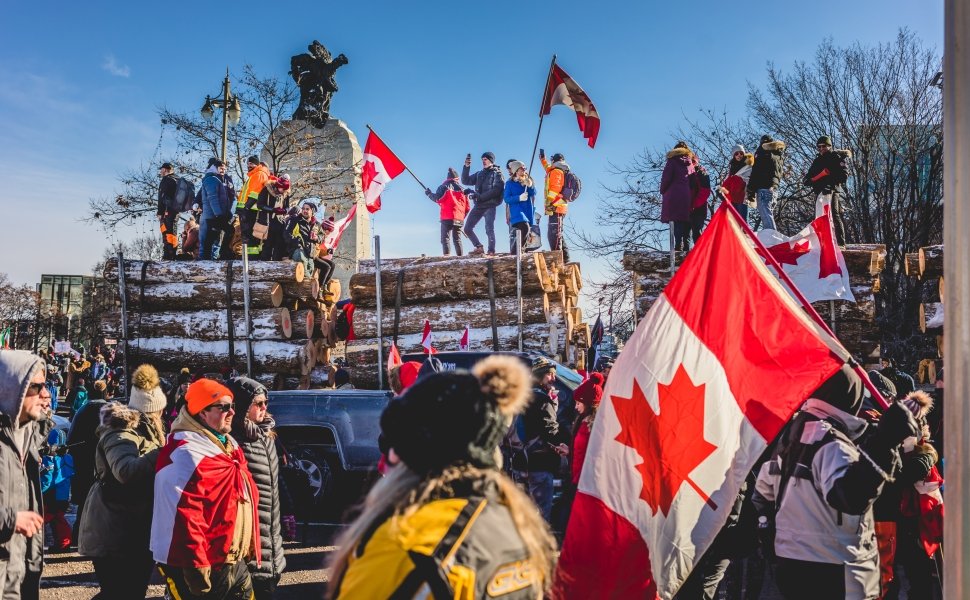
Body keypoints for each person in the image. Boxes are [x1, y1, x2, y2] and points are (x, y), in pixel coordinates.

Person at [326, 355, 557, 598]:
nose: (391, 452)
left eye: (398, 441)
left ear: (408, 452)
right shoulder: (520, 528)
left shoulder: (402, 546)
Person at [753, 365, 918, 599]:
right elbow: (851, 497)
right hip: (833, 564)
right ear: (850, 396)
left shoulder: (792, 436)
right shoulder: (831, 442)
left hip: (791, 560)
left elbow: (762, 492)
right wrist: (884, 443)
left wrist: (770, 533)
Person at [152, 378, 259, 600]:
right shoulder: (185, 454)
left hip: (233, 561)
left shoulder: (228, 446)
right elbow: (184, 518)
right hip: (203, 566)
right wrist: (196, 569)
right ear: (202, 413)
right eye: (224, 407)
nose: (231, 413)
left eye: (233, 406)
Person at [78, 363, 167, 599]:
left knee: (129, 592)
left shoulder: (146, 431)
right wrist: (164, 453)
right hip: (113, 529)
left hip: (131, 529)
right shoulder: (121, 430)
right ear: (153, 410)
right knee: (121, 593)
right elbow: (125, 471)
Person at [227, 377, 286, 600]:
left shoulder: (266, 435)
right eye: (258, 404)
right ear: (242, 406)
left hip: (272, 539)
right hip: (250, 547)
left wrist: (288, 508)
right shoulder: (234, 442)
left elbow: (276, 479)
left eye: (265, 403)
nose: (264, 408)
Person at [0, 350, 51, 598]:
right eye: (37, 387)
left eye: (47, 385)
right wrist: (10, 519)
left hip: (17, 575)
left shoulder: (28, 438)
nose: (46, 394)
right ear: (13, 388)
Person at [522, 357, 568, 523]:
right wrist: (565, 445)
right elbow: (550, 430)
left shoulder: (526, 394)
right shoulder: (541, 400)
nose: (554, 379)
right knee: (542, 514)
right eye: (550, 375)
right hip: (540, 462)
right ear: (541, 375)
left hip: (525, 460)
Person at [804, 135, 852, 246]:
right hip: (820, 193)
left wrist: (830, 183)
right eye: (819, 147)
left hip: (832, 191)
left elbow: (844, 175)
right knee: (820, 217)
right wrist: (810, 180)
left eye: (823, 146)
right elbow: (808, 178)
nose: (821, 148)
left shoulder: (836, 157)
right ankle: (822, 243)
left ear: (829, 146)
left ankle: (840, 243)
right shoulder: (817, 161)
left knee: (834, 214)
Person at [461, 151, 505, 256]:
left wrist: (479, 196)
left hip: (490, 205)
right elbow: (465, 180)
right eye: (482, 160)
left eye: (485, 159)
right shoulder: (479, 173)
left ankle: (491, 251)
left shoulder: (497, 173)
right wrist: (466, 166)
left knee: (489, 228)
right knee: (467, 228)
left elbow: (497, 190)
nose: (483, 161)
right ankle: (479, 247)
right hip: (479, 205)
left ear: (491, 160)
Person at [40, 427, 73, 554]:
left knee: (41, 520)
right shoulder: (68, 458)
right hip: (63, 497)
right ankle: (64, 544)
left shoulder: (49, 459)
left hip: (50, 496)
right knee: (59, 521)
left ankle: (34, 545)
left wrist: (39, 491)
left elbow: (46, 480)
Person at [425, 168, 470, 256]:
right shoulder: (463, 190)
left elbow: (438, 199)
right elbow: (467, 207)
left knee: (445, 238)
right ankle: (460, 258)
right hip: (459, 218)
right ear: (457, 178)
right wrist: (461, 217)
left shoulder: (443, 187)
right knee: (457, 239)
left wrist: (429, 194)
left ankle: (446, 257)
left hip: (447, 217)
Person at [660, 141, 696, 251]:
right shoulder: (690, 163)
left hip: (673, 194)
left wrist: (662, 190)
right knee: (684, 219)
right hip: (686, 194)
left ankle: (677, 244)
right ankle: (686, 245)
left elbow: (666, 178)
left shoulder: (672, 161)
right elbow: (693, 181)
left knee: (675, 219)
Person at [199, 159, 237, 261]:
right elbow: (213, 198)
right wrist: (218, 214)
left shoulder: (217, 179)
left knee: (213, 236)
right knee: (225, 231)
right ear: (214, 168)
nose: (223, 170)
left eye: (224, 169)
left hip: (218, 214)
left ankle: (209, 257)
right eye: (221, 168)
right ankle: (218, 254)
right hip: (213, 215)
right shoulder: (212, 179)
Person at [570, 372, 604, 487]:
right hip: (578, 479)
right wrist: (568, 450)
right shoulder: (583, 422)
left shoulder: (596, 426)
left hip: (587, 483)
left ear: (589, 404)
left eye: (579, 403)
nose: (576, 407)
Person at [747, 134, 786, 231]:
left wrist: (751, 189)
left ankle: (772, 238)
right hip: (773, 189)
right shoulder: (778, 155)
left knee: (766, 214)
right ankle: (771, 236)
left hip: (764, 188)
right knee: (768, 213)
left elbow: (756, 172)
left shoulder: (763, 154)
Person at [237, 155, 273, 258]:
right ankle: (249, 260)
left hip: (251, 211)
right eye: (248, 163)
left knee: (251, 238)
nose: (249, 165)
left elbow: (255, 194)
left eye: (251, 163)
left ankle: (251, 260)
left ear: (257, 164)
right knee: (248, 238)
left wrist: (246, 208)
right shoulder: (254, 175)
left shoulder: (259, 174)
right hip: (248, 210)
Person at [539, 149, 572, 261]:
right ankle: (565, 259)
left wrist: (549, 201)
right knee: (557, 234)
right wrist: (543, 159)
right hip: (556, 206)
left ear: (555, 161)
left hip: (556, 206)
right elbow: (547, 168)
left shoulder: (557, 171)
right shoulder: (556, 169)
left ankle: (559, 259)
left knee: (555, 235)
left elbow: (555, 188)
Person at [256, 174, 293, 261]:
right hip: (268, 221)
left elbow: (287, 206)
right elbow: (260, 205)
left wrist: (285, 211)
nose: (283, 191)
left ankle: (276, 264)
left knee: (279, 244)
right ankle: (265, 264)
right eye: (282, 189)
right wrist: (273, 210)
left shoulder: (286, 193)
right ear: (278, 186)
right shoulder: (267, 190)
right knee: (267, 244)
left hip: (279, 222)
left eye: (285, 189)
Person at [504, 160, 537, 255]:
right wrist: (519, 198)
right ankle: (516, 252)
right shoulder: (510, 183)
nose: (524, 170)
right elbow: (506, 198)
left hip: (526, 210)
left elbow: (533, 193)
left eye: (525, 168)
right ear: (516, 170)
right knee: (525, 227)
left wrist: (530, 186)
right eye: (522, 168)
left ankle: (520, 251)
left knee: (526, 231)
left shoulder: (526, 180)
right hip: (517, 211)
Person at [284, 201, 323, 276]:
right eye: (303, 209)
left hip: (311, 255)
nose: (304, 211)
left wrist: (317, 238)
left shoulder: (317, 224)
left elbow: (322, 236)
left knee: (309, 278)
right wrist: (298, 243)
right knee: (304, 276)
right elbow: (286, 234)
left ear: (312, 212)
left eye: (307, 209)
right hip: (298, 252)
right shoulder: (294, 220)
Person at [719, 145, 755, 221]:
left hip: (742, 196)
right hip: (733, 196)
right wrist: (721, 190)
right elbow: (729, 181)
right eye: (736, 154)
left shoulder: (748, 166)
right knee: (733, 221)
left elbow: (750, 179)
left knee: (742, 220)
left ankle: (745, 233)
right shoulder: (732, 167)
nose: (739, 155)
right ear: (733, 155)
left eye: (741, 153)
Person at [157, 162, 180, 259]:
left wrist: (160, 212)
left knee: (166, 232)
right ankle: (172, 253)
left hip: (167, 212)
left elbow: (162, 197)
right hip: (176, 212)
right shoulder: (178, 179)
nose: (160, 172)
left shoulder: (166, 180)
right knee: (173, 233)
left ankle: (168, 255)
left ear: (165, 170)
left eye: (161, 170)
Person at [690, 158, 713, 243]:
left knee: (697, 230)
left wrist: (695, 204)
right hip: (689, 207)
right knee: (687, 232)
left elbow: (705, 191)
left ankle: (700, 252)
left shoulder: (702, 172)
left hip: (699, 207)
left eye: (693, 161)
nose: (691, 163)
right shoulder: (686, 174)